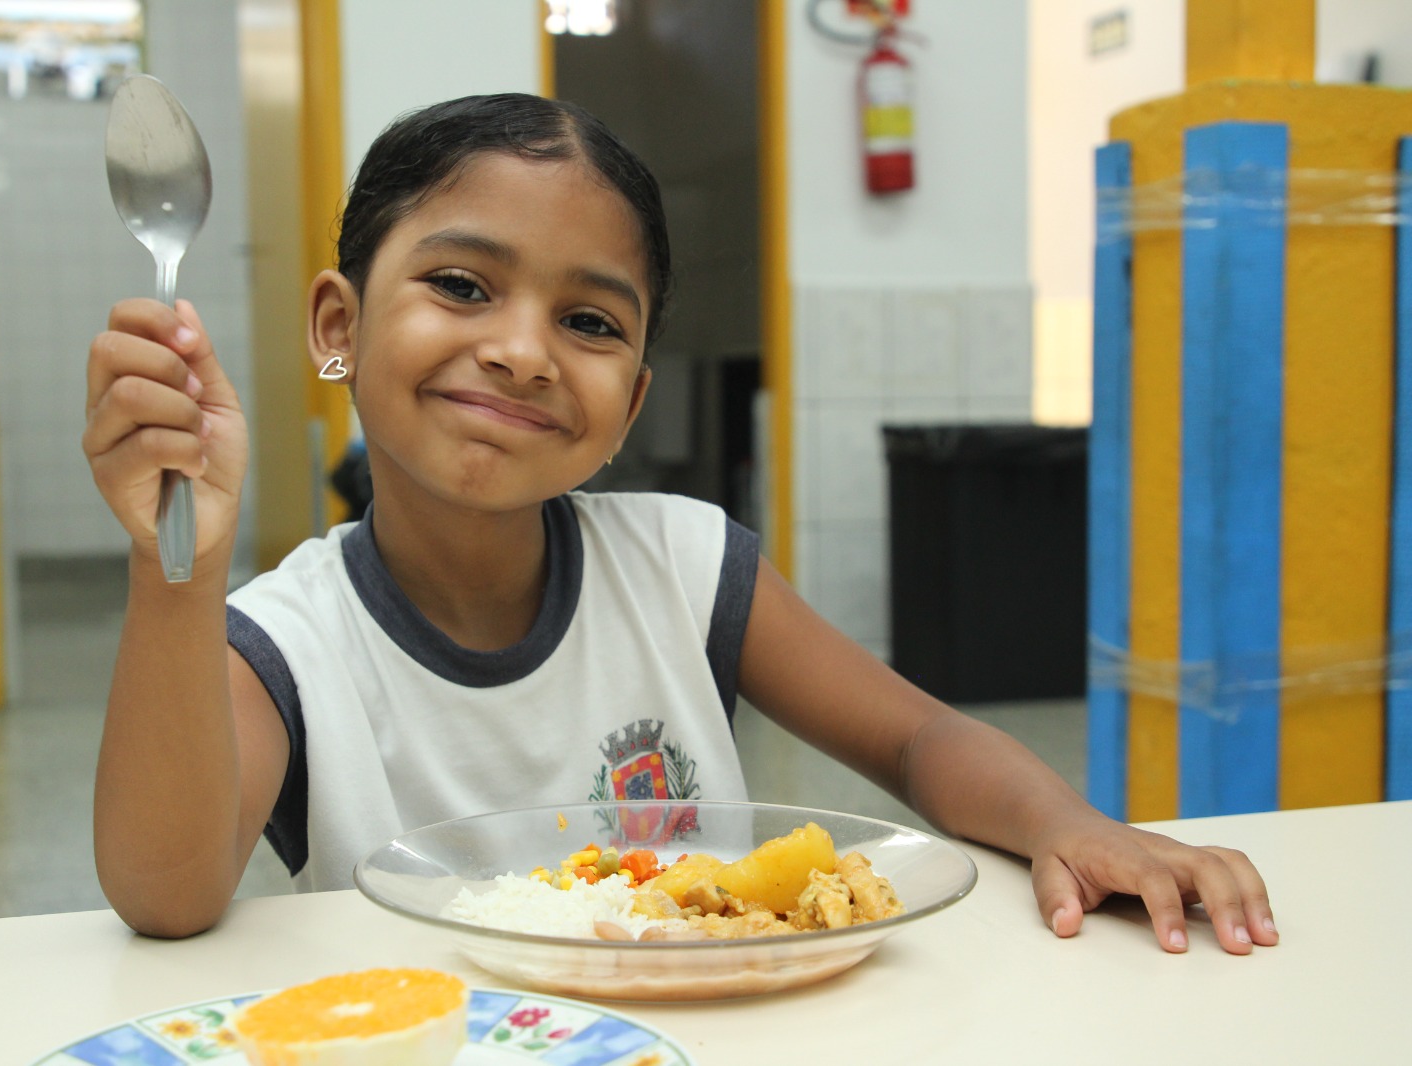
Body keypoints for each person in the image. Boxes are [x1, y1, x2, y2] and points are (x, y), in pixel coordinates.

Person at [83, 93, 1277, 954]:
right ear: (337, 321)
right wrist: (172, 568)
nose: (520, 349)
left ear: (632, 402)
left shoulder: (685, 564)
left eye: (591, 323)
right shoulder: (282, 642)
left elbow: (917, 743)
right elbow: (168, 894)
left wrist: (1074, 823)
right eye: (461, 286)